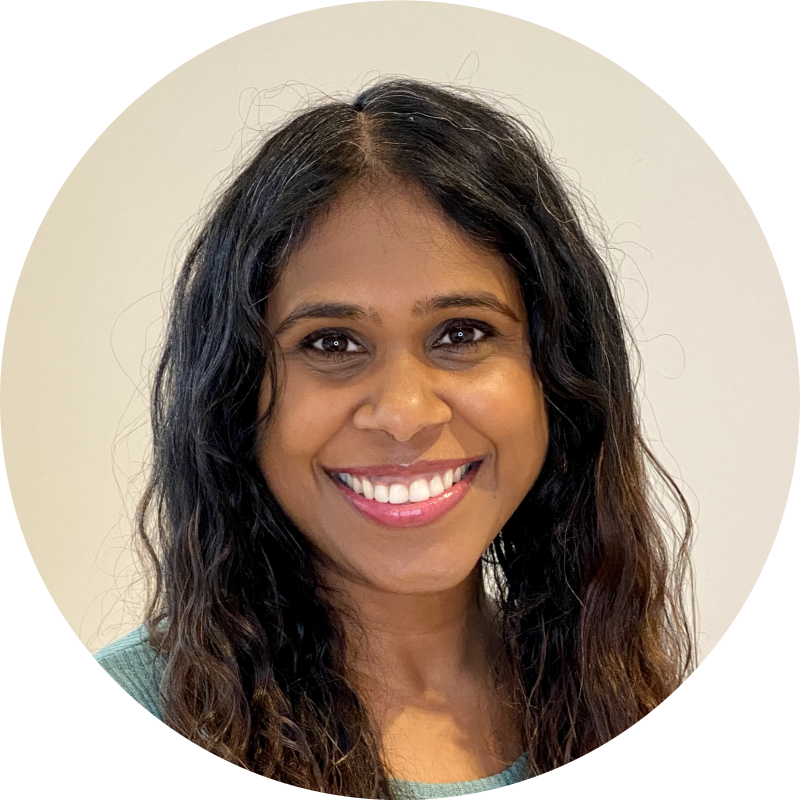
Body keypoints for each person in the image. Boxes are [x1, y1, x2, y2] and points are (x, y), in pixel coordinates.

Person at [92, 78, 695, 797]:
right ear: (237, 396)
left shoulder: (625, 695)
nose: (405, 414)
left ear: (558, 377)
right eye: (332, 342)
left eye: (461, 333)